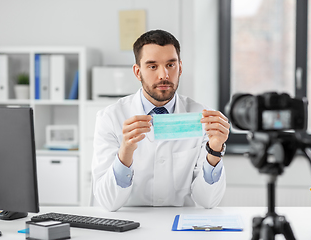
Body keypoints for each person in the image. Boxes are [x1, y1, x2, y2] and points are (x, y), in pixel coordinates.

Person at [92, 29, 230, 212]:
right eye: (152, 66)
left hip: (181, 224)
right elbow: (108, 201)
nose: (164, 75)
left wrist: (215, 150)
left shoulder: (203, 118)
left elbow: (208, 201)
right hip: (129, 225)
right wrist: (125, 152)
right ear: (137, 71)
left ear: (180, 68)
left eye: (170, 65)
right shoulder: (110, 118)